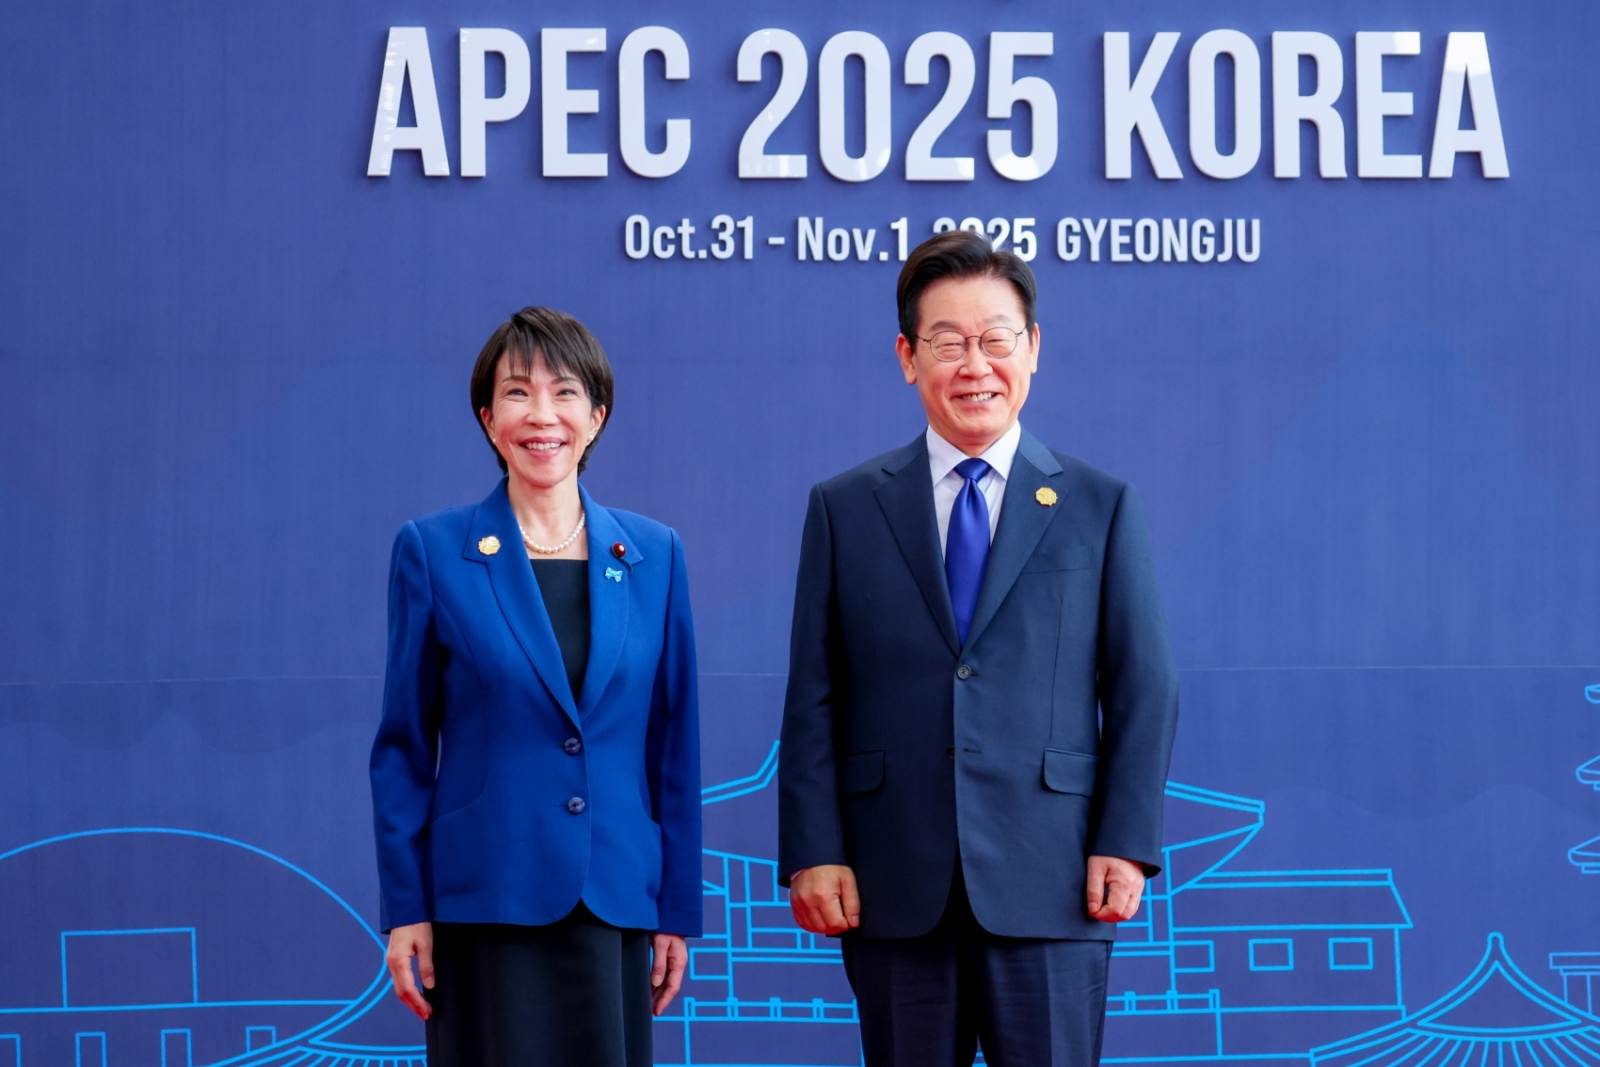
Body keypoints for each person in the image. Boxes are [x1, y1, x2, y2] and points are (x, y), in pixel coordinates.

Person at [778, 230, 1179, 1067]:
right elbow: (817, 692)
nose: (975, 364)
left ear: (1032, 349)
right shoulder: (845, 508)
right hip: (895, 880)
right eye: (948, 342)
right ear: (906, 356)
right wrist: (815, 849)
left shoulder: (1099, 506)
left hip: (1054, 873)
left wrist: (1125, 839)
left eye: (996, 339)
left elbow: (1145, 684)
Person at [370, 307, 702, 1067]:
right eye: (518, 394)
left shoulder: (654, 553)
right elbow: (403, 747)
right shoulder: (434, 550)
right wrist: (405, 909)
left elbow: (673, 744)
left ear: (597, 415)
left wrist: (676, 907)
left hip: (615, 898)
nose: (542, 415)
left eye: (565, 393)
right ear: (488, 419)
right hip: (489, 898)